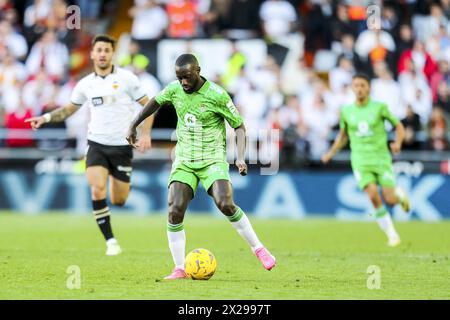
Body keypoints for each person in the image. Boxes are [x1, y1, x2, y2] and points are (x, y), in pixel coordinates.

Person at [127, 54, 276, 279]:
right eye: (179, 78)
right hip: (185, 159)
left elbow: (239, 126)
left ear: (197, 70)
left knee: (225, 203)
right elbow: (154, 103)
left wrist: (241, 157)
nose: (183, 82)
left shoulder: (217, 95)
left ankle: (259, 249)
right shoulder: (174, 89)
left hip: (212, 159)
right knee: (175, 208)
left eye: (187, 77)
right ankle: (179, 268)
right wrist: (133, 124)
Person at [24, 35, 154, 256]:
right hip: (96, 144)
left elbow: (150, 105)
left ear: (112, 53)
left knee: (119, 199)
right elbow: (68, 110)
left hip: (122, 146)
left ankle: (118, 181)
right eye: (99, 50)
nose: (102, 54)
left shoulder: (127, 79)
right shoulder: (86, 84)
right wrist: (44, 118)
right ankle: (110, 241)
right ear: (92, 54)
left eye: (106, 50)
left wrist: (146, 134)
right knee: (96, 189)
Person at [322, 73, 410, 247]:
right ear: (352, 88)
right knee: (373, 196)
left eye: (363, 85)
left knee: (390, 200)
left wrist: (398, 142)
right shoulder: (346, 111)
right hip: (360, 161)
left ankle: (399, 195)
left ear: (369, 87)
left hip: (381, 158)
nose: (359, 89)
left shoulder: (380, 107)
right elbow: (342, 136)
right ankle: (392, 235)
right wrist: (330, 153)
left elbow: (399, 126)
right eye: (356, 86)